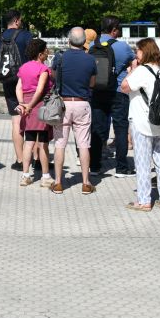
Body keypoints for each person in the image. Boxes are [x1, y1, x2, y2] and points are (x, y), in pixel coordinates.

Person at [122, 38, 160, 210]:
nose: (136, 54)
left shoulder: (142, 71)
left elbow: (124, 87)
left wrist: (132, 70)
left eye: (137, 51)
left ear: (144, 52)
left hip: (143, 121)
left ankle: (145, 200)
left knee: (143, 162)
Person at [52, 27, 97, 195]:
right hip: (82, 103)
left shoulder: (60, 58)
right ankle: (86, 183)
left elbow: (54, 77)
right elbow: (92, 83)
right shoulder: (90, 60)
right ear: (84, 41)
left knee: (60, 144)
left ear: (68, 40)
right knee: (84, 144)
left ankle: (57, 183)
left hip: (63, 104)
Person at [91, 16, 135, 179]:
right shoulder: (123, 47)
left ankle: (94, 166)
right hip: (118, 92)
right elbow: (134, 62)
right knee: (121, 129)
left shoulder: (92, 45)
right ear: (114, 30)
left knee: (97, 128)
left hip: (97, 91)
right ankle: (121, 168)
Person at [0, 11, 32, 168]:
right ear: (16, 21)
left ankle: (20, 159)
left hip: (8, 80)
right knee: (31, 120)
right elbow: (34, 57)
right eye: (21, 20)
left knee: (16, 120)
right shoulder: (26, 36)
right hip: (25, 81)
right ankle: (35, 158)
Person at [16, 38, 53, 187]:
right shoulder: (43, 69)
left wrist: (22, 104)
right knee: (43, 143)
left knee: (28, 142)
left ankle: (25, 175)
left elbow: (18, 87)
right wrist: (31, 105)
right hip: (40, 107)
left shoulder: (23, 67)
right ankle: (45, 176)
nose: (47, 53)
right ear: (40, 54)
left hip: (26, 106)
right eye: (45, 51)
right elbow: (40, 90)